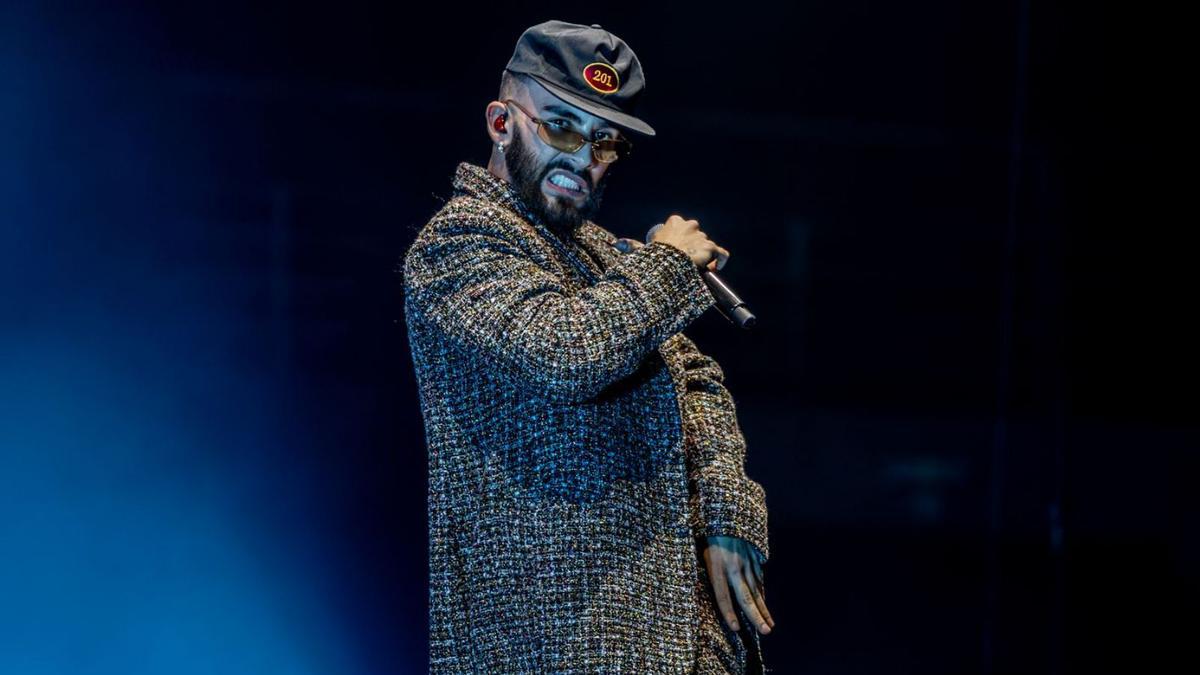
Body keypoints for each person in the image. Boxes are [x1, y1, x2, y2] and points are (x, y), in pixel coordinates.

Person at [402, 20, 773, 674]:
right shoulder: (456, 244)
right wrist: (667, 263)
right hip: (554, 643)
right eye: (561, 128)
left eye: (604, 141)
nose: (583, 158)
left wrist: (725, 511)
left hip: (681, 640)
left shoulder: (605, 257)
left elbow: (698, 380)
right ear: (501, 122)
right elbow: (567, 352)